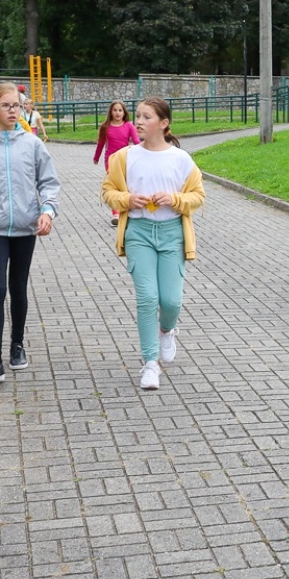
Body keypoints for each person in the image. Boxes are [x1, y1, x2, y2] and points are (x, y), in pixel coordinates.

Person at [101, 97, 206, 391]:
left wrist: (175, 199)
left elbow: (198, 195)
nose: (139, 121)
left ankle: (167, 330)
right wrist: (126, 199)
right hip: (139, 232)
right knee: (147, 298)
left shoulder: (181, 159)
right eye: (138, 116)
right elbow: (108, 190)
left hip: (172, 234)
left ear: (164, 123)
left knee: (170, 301)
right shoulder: (124, 157)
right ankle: (150, 363)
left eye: (146, 117)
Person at [0, 82, 61, 386]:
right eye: (6, 106)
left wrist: (47, 211)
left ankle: (17, 345)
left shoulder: (32, 144)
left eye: (16, 105)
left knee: (18, 287)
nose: (13, 110)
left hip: (26, 228)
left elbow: (49, 182)